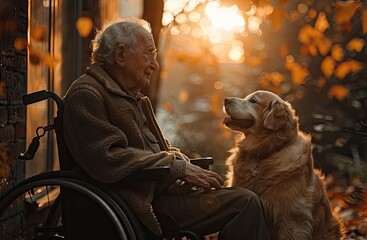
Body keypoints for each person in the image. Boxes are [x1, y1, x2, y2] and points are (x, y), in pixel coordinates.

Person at [62, 17, 270, 239]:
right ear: (121, 55)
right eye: (149, 53)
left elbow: (153, 151)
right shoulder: (87, 95)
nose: (155, 63)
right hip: (135, 205)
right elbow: (106, 159)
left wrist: (183, 168)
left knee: (242, 197)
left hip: (156, 194)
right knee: (245, 202)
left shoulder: (128, 96)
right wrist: (177, 168)